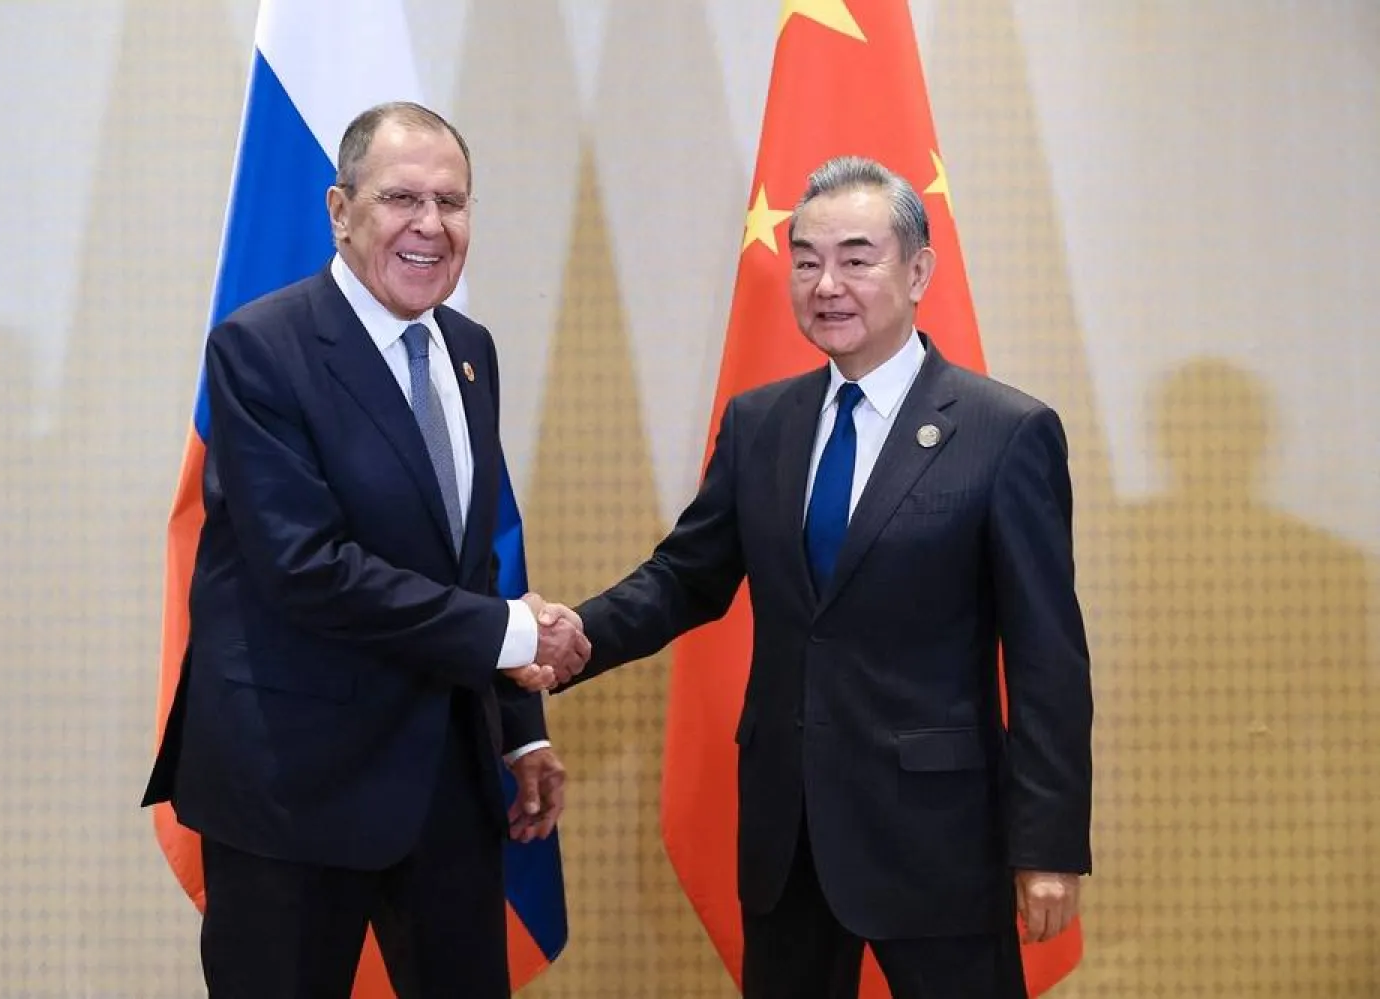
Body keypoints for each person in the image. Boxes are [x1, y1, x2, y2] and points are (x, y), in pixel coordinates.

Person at [548, 156, 1093, 999]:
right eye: (805, 259)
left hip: (938, 839)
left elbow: (1048, 660)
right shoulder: (762, 423)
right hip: (787, 830)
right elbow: (685, 577)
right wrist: (567, 639)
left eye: (856, 257)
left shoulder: (1003, 432)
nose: (826, 283)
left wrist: (1049, 843)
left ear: (918, 272)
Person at [141, 101, 588, 999]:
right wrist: (514, 635)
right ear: (340, 210)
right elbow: (307, 569)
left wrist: (516, 734)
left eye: (452, 202)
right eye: (401, 199)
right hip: (291, 787)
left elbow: (473, 558)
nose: (431, 226)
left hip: (444, 786)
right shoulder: (260, 349)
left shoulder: (470, 351)